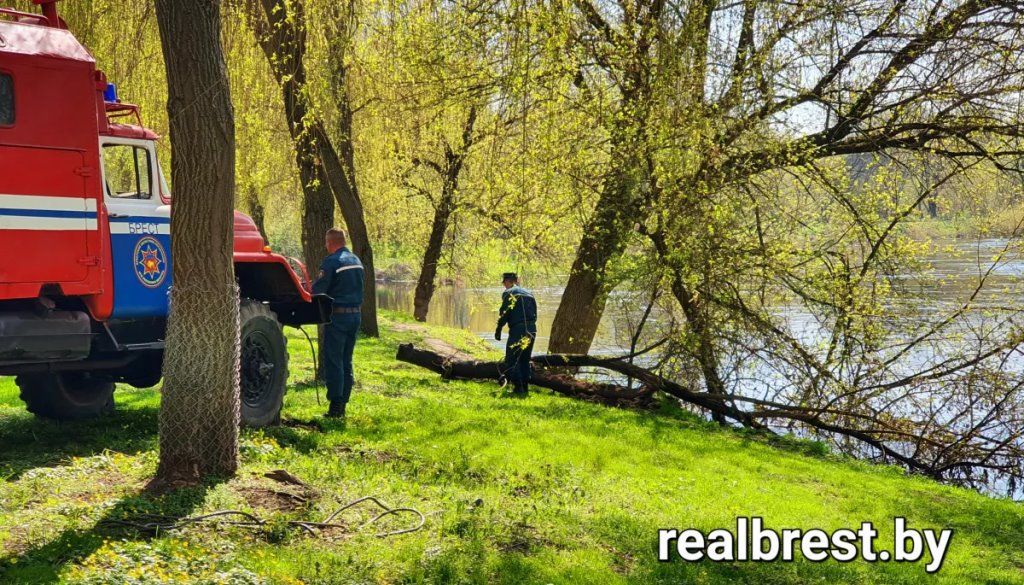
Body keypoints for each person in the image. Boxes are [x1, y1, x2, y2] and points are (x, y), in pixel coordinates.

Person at [312, 228, 364, 418]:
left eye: (326, 243)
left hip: (338, 317)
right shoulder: (356, 260)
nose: (326, 246)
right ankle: (343, 403)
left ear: (330, 242)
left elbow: (318, 290)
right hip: (355, 316)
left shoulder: (332, 261)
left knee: (334, 361)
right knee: (346, 360)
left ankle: (335, 407)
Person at [494, 272, 538, 395]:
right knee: (524, 358)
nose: (504, 285)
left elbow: (504, 313)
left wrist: (498, 329)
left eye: (504, 282)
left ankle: (518, 388)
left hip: (518, 329)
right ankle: (525, 387)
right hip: (532, 329)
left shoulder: (508, 293)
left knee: (512, 358)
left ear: (508, 281)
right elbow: (535, 314)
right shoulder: (529, 293)